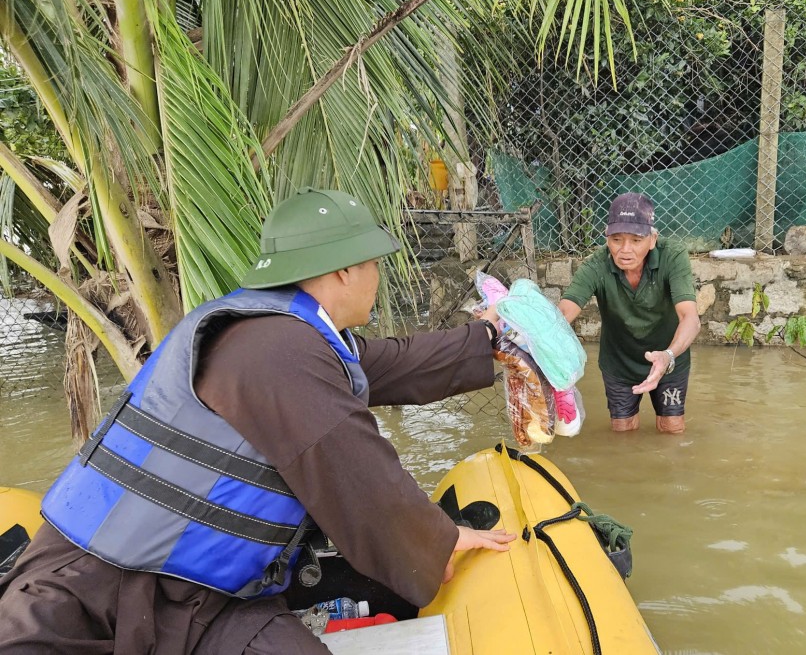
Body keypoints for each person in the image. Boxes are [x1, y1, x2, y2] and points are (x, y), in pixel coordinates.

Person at [0, 188, 515, 654]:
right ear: (343, 270)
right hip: (94, 589)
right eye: (374, 263)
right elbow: (352, 468)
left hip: (206, 599)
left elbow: (390, 363)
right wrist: (435, 542)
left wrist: (484, 340)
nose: (378, 277)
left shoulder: (290, 337)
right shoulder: (277, 349)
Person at [558, 192, 700, 435]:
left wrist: (667, 356)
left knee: (672, 429)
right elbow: (564, 312)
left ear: (652, 239)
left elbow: (691, 318)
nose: (625, 250)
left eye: (636, 240)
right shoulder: (596, 265)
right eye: (616, 240)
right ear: (606, 238)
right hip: (619, 364)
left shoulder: (672, 256)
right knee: (622, 433)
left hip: (668, 360)